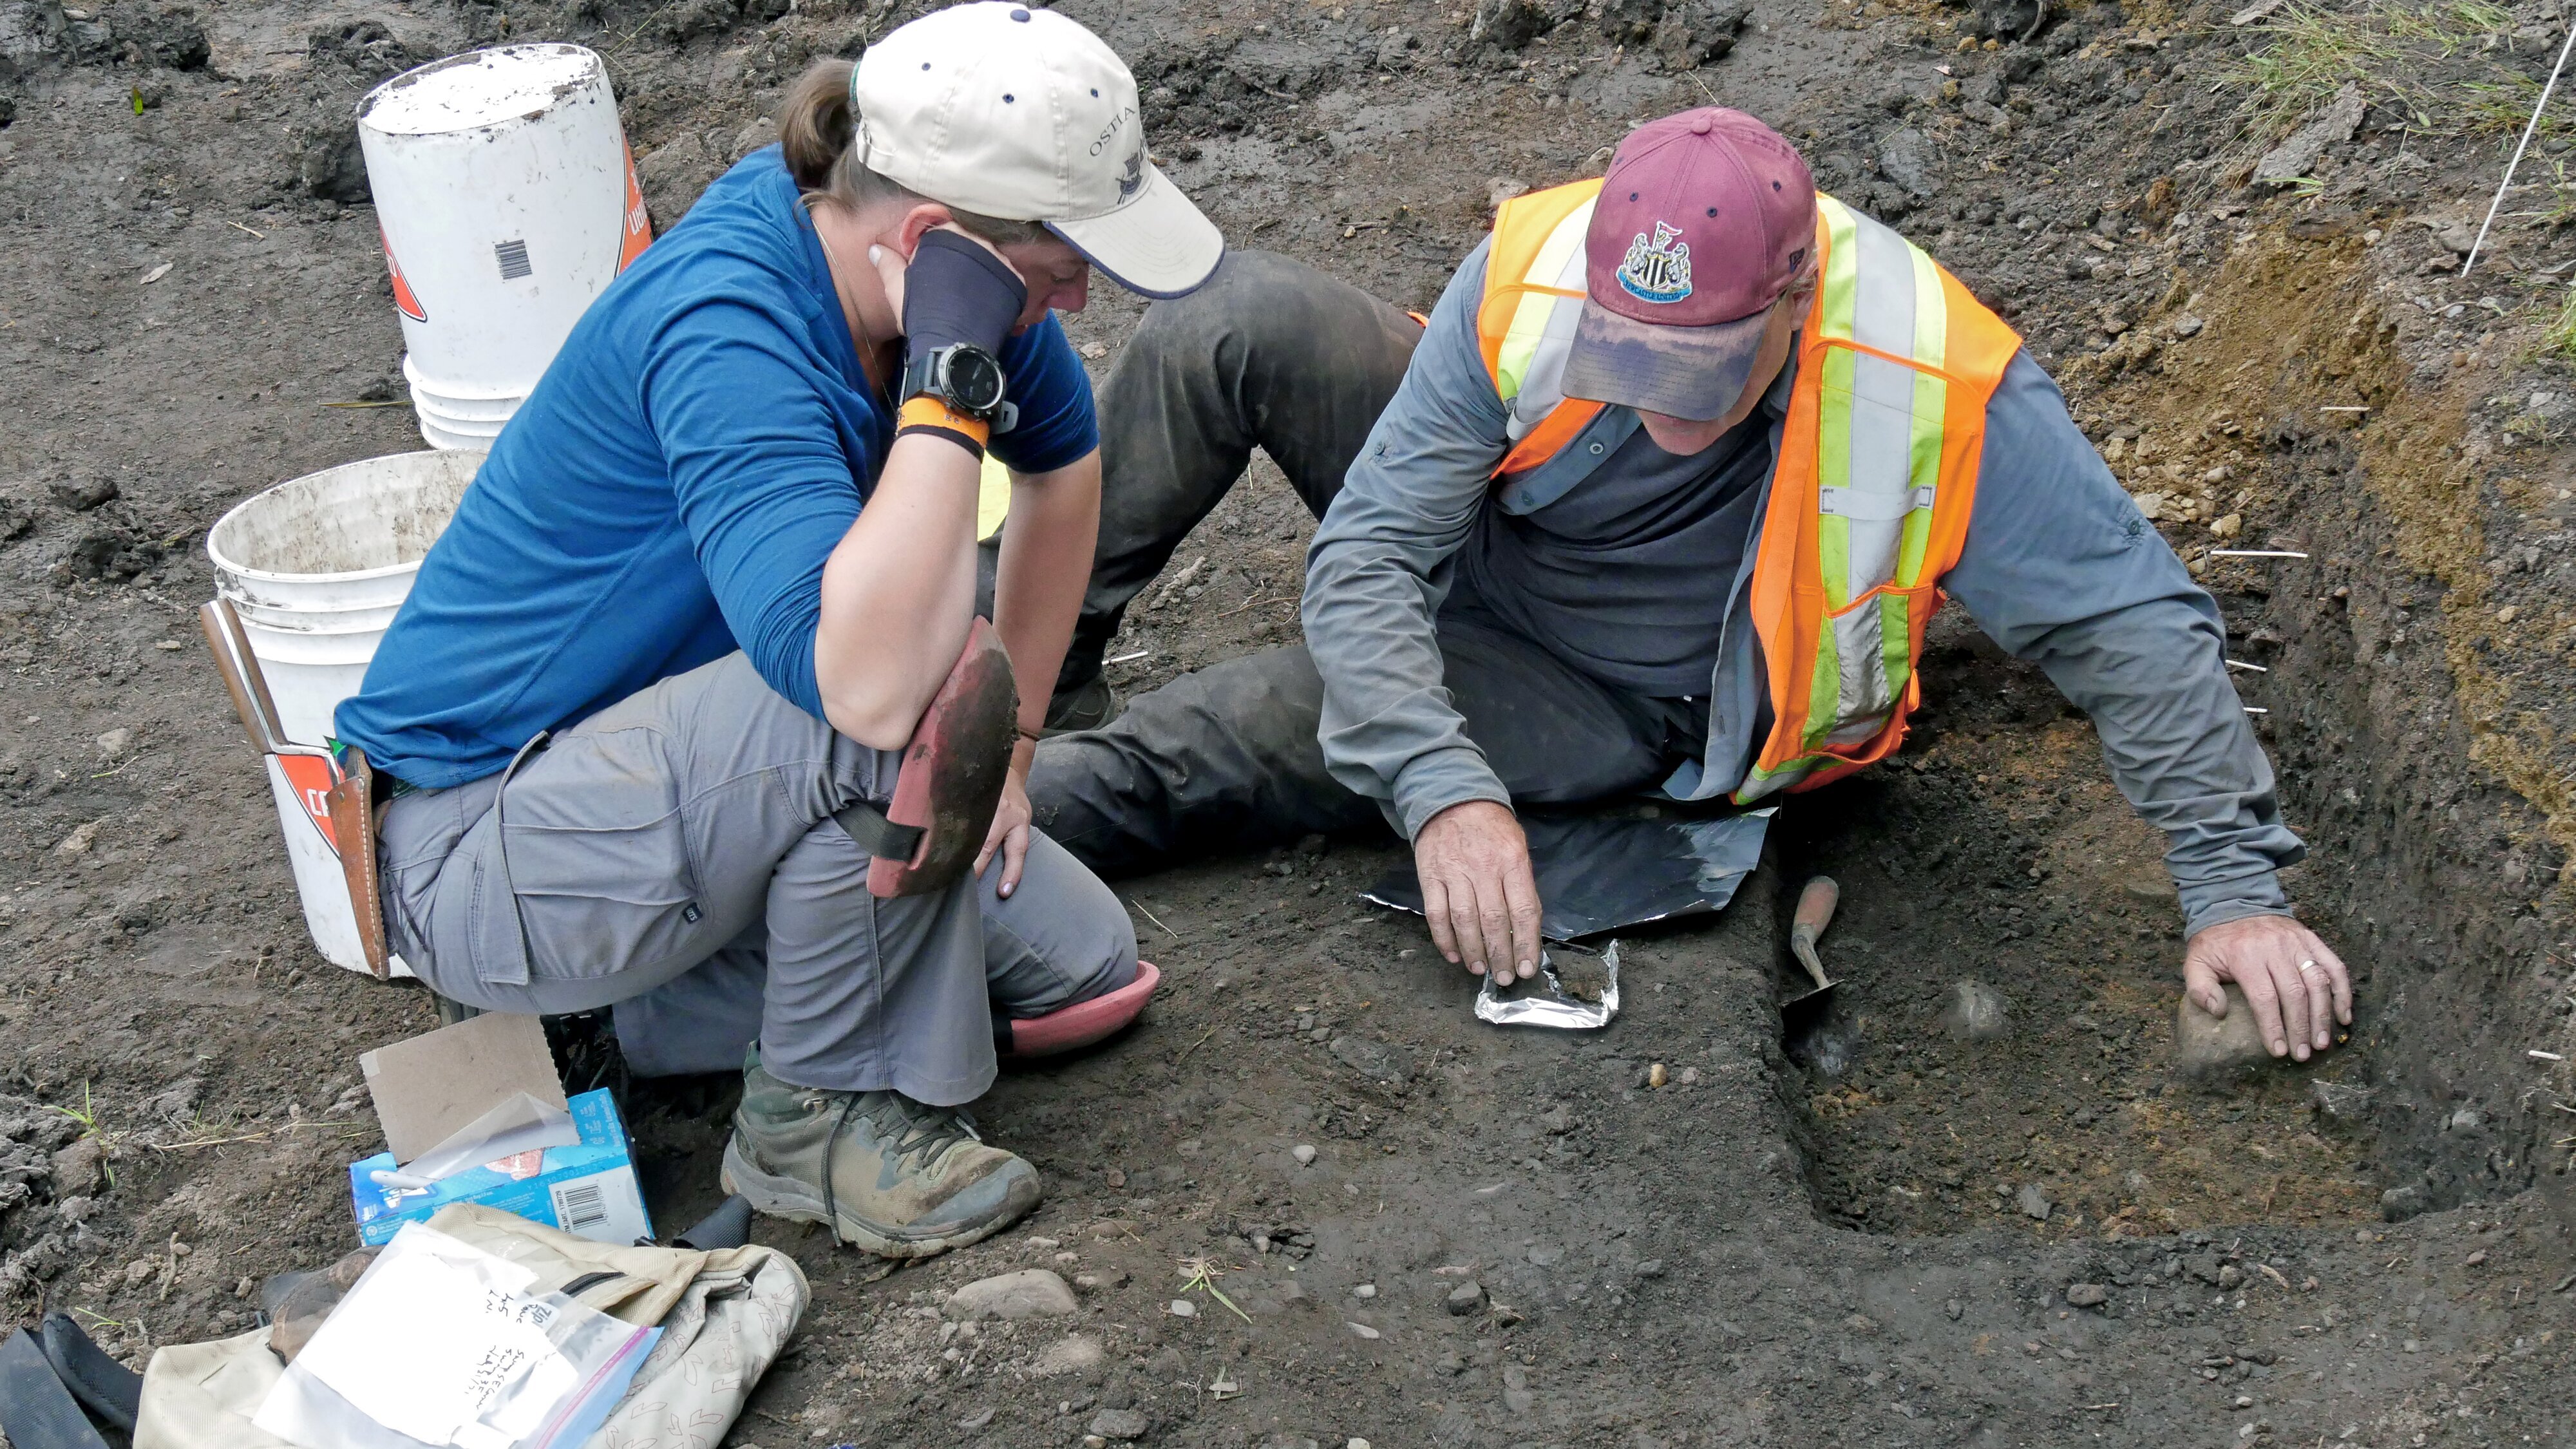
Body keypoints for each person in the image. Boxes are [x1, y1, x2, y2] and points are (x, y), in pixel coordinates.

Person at [1028, 106, 2356, 1066]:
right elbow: (1371, 550)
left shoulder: (1930, 377)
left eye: (1699, 384)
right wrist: (1437, 791)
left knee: (1186, 751)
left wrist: (2232, 890)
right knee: (1235, 315)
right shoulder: (1535, 273)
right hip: (1492, 535)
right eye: (1630, 362)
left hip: (1613, 688)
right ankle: (1006, 690)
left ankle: (913, 836)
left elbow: (2128, 625)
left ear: (1795, 296)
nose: (1659, 414)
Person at [332, 3, 1225, 1257]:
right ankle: (814, 1119)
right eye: (1059, 256)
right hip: (487, 842)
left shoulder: (940, 282)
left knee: (1084, 966)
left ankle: (653, 1013)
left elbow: (1060, 474)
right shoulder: (731, 330)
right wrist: (949, 372)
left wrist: (1017, 746)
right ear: (934, 243)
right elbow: (863, 692)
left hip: (688, 778)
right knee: (922, 695)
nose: (1078, 290)